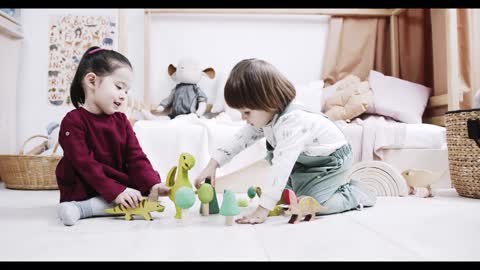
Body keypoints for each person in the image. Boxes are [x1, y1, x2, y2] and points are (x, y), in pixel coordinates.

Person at [194, 58, 376, 225]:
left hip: (331, 161)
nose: (243, 118)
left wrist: (262, 210)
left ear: (269, 102)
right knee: (289, 201)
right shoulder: (267, 115)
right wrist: (213, 164)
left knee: (314, 205)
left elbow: (282, 165)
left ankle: (355, 193)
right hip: (305, 161)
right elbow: (239, 140)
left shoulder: (292, 123)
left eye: (247, 112)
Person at [56, 46, 170, 226]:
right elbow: (84, 164)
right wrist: (116, 191)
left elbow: (136, 157)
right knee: (116, 197)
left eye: (126, 91)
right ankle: (79, 208)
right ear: (92, 81)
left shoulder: (122, 120)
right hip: (83, 185)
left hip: (114, 184)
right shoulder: (73, 121)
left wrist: (152, 184)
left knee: (141, 196)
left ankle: (105, 203)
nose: (124, 96)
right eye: (119, 87)